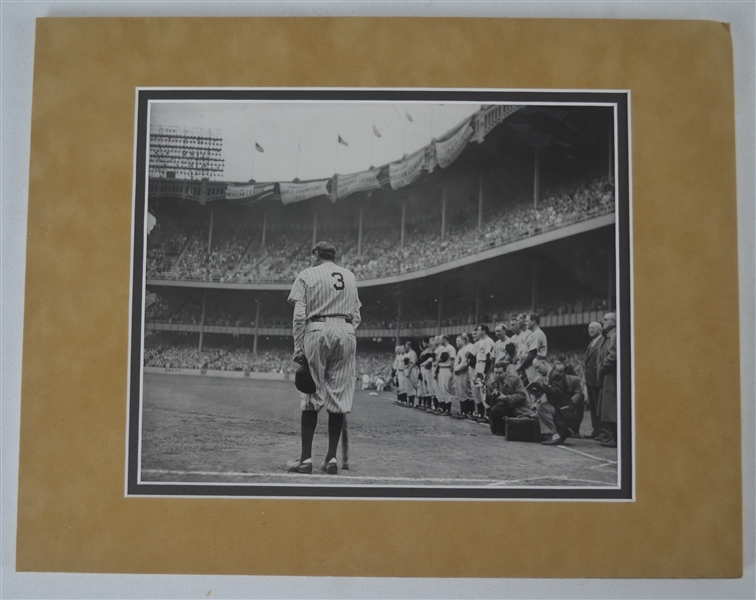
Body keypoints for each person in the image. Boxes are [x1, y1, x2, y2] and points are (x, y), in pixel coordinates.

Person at [285, 241, 362, 475]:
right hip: (347, 331)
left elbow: (299, 315)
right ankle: (331, 460)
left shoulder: (307, 273)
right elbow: (357, 315)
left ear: (315, 254)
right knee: (338, 398)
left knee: (311, 394)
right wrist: (344, 332)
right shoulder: (349, 275)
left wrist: (299, 347)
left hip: (317, 329)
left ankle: (306, 460)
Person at [531, 355, 577, 445]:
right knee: (538, 410)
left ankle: (555, 435)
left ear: (544, 363)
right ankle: (563, 431)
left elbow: (557, 392)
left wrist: (541, 385)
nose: (537, 371)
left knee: (542, 408)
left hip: (565, 411)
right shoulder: (550, 375)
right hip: (561, 409)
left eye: (537, 367)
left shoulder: (556, 375)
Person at [486, 362, 531, 435]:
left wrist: (507, 397)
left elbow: (522, 395)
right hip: (505, 407)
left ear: (505, 372)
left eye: (500, 373)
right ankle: (502, 429)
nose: (497, 375)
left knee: (496, 409)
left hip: (518, 408)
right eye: (495, 373)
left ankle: (505, 430)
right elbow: (489, 400)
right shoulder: (493, 382)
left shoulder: (515, 380)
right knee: (493, 429)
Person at [596, 312, 618, 447]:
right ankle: (611, 436)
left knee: (611, 409)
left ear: (614, 322)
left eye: (606, 319)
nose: (602, 321)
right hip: (607, 377)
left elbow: (613, 356)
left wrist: (602, 367)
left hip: (611, 377)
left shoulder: (614, 336)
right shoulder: (608, 336)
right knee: (608, 408)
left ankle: (614, 438)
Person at [583, 321, 604, 439]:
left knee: (598, 405)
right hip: (590, 379)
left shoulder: (601, 342)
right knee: (593, 406)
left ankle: (601, 430)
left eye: (593, 328)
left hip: (596, 379)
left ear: (599, 330)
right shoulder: (591, 343)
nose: (590, 330)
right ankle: (596, 429)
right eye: (589, 328)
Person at [471, 324, 495, 421]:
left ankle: (487, 415)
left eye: (479, 330)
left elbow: (489, 358)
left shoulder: (488, 341)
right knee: (478, 390)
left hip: (484, 365)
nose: (477, 332)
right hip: (479, 365)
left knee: (484, 390)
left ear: (484, 331)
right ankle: (480, 414)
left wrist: (485, 372)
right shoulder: (482, 342)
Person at [452, 333, 475, 418]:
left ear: (464, 341)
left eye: (458, 341)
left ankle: (466, 412)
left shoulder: (466, 349)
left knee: (464, 393)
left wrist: (456, 369)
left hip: (463, 373)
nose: (456, 342)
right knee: (460, 393)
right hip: (459, 374)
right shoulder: (460, 350)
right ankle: (462, 411)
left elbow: (464, 363)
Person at [403, 340, 419, 407]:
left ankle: (412, 402)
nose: (405, 347)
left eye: (406, 346)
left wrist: (408, 372)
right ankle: (410, 402)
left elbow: (412, 363)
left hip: (411, 370)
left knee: (411, 386)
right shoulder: (409, 353)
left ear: (409, 346)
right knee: (408, 387)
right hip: (408, 369)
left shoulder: (412, 353)